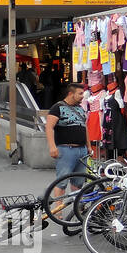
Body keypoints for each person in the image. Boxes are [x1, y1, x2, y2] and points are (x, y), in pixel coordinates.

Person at [46, 83, 90, 212]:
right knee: (62, 181)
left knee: (78, 182)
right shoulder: (57, 107)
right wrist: (52, 147)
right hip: (66, 149)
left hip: (81, 149)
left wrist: (88, 145)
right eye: (80, 93)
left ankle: (76, 209)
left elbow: (84, 127)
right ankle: (57, 210)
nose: (83, 96)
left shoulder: (80, 109)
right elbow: (49, 127)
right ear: (71, 93)